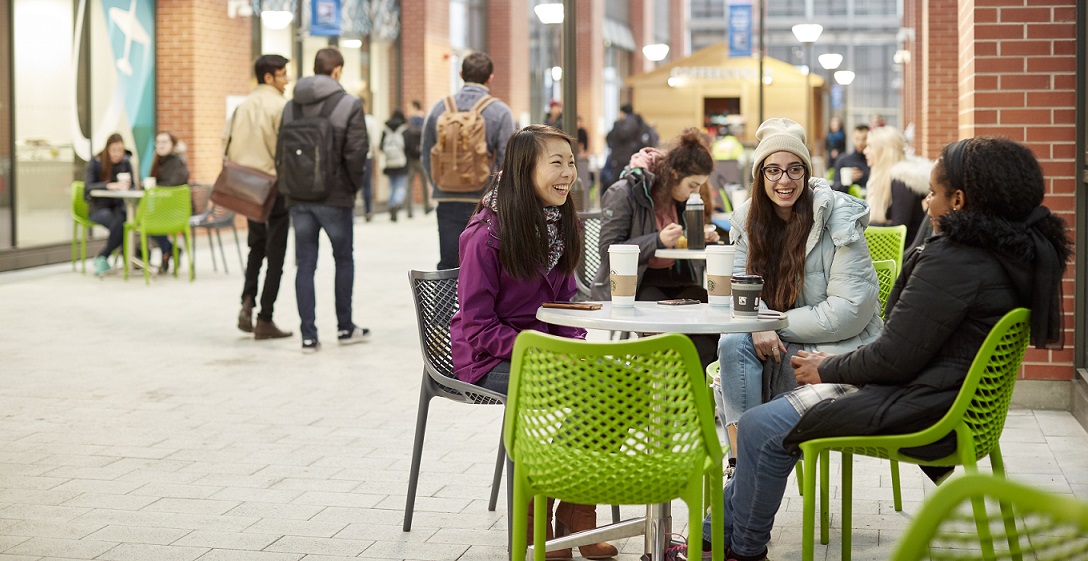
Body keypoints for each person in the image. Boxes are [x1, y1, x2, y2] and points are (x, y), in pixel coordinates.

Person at [689, 135, 1071, 561]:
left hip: (919, 403)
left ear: (959, 200)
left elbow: (891, 356)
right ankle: (718, 538)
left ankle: (739, 548)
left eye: (933, 194)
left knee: (760, 427)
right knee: (763, 403)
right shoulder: (1014, 254)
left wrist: (826, 368)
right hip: (950, 400)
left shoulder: (955, 263)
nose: (927, 204)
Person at [449, 124, 616, 560]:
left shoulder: (561, 223)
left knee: (621, 386)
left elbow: (563, 304)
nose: (568, 173)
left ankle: (575, 516)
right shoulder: (484, 235)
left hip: (544, 350)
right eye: (556, 163)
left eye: (572, 162)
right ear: (525, 170)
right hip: (488, 355)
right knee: (584, 389)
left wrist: (571, 345)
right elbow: (478, 326)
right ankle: (532, 520)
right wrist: (547, 351)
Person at [716, 118, 884, 466]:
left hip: (834, 347)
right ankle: (742, 464)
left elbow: (850, 310)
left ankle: (751, 469)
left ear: (806, 174)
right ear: (760, 176)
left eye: (795, 169)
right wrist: (756, 325)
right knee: (733, 342)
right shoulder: (748, 219)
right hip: (777, 342)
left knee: (740, 358)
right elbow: (738, 287)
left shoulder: (837, 216)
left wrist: (770, 323)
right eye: (773, 170)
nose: (784, 180)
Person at [591, 129, 722, 367]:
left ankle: (693, 396)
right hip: (637, 283)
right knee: (668, 333)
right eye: (692, 186)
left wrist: (699, 238)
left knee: (712, 320)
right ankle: (672, 393)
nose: (694, 194)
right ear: (674, 174)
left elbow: (679, 240)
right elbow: (608, 250)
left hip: (676, 278)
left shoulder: (680, 198)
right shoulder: (625, 192)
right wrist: (657, 240)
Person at [281, 47, 369, 353]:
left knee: (305, 264)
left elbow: (281, 152)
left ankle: (308, 335)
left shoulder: (290, 106)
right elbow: (357, 154)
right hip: (335, 198)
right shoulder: (348, 104)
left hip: (299, 197)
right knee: (343, 259)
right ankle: (345, 328)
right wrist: (352, 187)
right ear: (336, 72)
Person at [421, 51, 516, 270]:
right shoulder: (500, 111)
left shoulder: (439, 108)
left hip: (446, 198)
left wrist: (440, 182)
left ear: (461, 73)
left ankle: (445, 305)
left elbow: (426, 153)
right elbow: (507, 160)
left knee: (448, 264)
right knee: (483, 265)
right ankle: (475, 305)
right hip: (483, 201)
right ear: (490, 78)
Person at [228, 54, 293, 340]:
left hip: (246, 186)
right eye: (283, 74)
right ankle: (265, 318)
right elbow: (287, 151)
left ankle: (247, 301)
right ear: (269, 77)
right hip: (274, 187)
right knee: (275, 254)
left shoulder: (242, 106)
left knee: (256, 246)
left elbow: (225, 144)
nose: (287, 80)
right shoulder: (281, 107)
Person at [864, 126, 933, 242]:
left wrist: (860, 226)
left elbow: (897, 230)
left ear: (883, 150)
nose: (865, 151)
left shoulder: (902, 181)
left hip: (901, 254)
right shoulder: (881, 177)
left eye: (870, 146)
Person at [84, 133, 138, 276]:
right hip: (99, 208)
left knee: (123, 220)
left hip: (118, 206)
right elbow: (88, 187)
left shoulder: (126, 162)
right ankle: (115, 257)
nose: (117, 154)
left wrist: (126, 186)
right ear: (107, 149)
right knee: (121, 225)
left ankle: (104, 257)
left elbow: (133, 186)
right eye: (114, 150)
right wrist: (109, 185)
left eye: (120, 150)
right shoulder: (96, 162)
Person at [148, 131, 190, 274]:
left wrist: (156, 188)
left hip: (176, 209)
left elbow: (174, 184)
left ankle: (168, 251)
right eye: (158, 142)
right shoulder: (157, 161)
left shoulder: (178, 161)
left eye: (165, 142)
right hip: (161, 207)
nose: (161, 145)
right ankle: (171, 250)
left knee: (150, 222)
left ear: (173, 144)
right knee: (145, 221)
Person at [600, 103, 658, 188]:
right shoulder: (640, 123)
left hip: (619, 163)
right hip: (637, 161)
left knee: (618, 187)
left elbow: (610, 139)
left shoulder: (620, 124)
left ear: (622, 113)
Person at [381, 109, 410, 222]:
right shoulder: (404, 129)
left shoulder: (386, 129)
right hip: (402, 162)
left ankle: (390, 205)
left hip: (389, 163)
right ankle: (396, 204)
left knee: (392, 186)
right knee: (401, 186)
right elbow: (408, 146)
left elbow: (381, 146)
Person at [404, 100, 429, 215]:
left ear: (415, 107)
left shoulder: (409, 122)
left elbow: (406, 140)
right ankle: (426, 206)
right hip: (422, 157)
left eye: (410, 108)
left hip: (410, 157)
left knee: (409, 184)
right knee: (425, 183)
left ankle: (409, 210)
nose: (408, 111)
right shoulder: (426, 120)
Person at [831, 124, 870, 193]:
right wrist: (847, 180)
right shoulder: (843, 160)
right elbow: (834, 188)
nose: (860, 143)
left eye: (864, 139)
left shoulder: (874, 161)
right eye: (857, 139)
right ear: (852, 139)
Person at [361, 103, 380, 222]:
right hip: (367, 156)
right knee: (367, 185)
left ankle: (351, 212)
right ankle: (368, 211)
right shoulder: (370, 121)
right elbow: (375, 141)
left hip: (351, 157)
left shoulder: (348, 119)